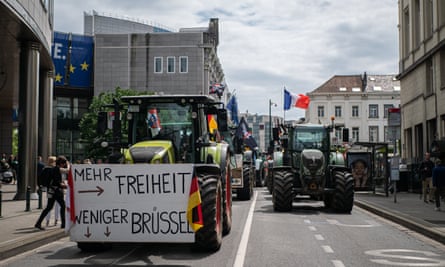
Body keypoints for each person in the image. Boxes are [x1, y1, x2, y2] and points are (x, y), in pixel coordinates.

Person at [34, 156, 68, 230]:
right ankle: (63, 224)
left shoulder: (53, 169)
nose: (64, 165)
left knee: (49, 207)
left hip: (51, 191)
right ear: (61, 163)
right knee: (62, 206)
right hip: (57, 191)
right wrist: (64, 186)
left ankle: (38, 223)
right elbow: (57, 182)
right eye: (64, 163)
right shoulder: (57, 170)